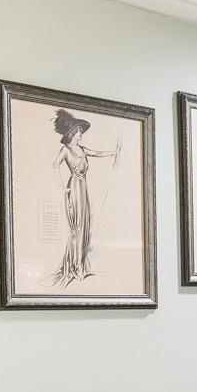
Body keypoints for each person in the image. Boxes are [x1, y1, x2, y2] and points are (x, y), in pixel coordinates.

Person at [49, 107, 119, 287]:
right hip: (73, 188)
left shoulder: (82, 149)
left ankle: (81, 265)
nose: (81, 135)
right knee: (76, 227)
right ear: (72, 133)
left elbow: (97, 153)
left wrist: (114, 152)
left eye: (81, 132)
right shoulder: (65, 150)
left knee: (85, 226)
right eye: (79, 132)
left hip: (83, 188)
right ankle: (73, 266)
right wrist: (61, 187)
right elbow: (55, 165)